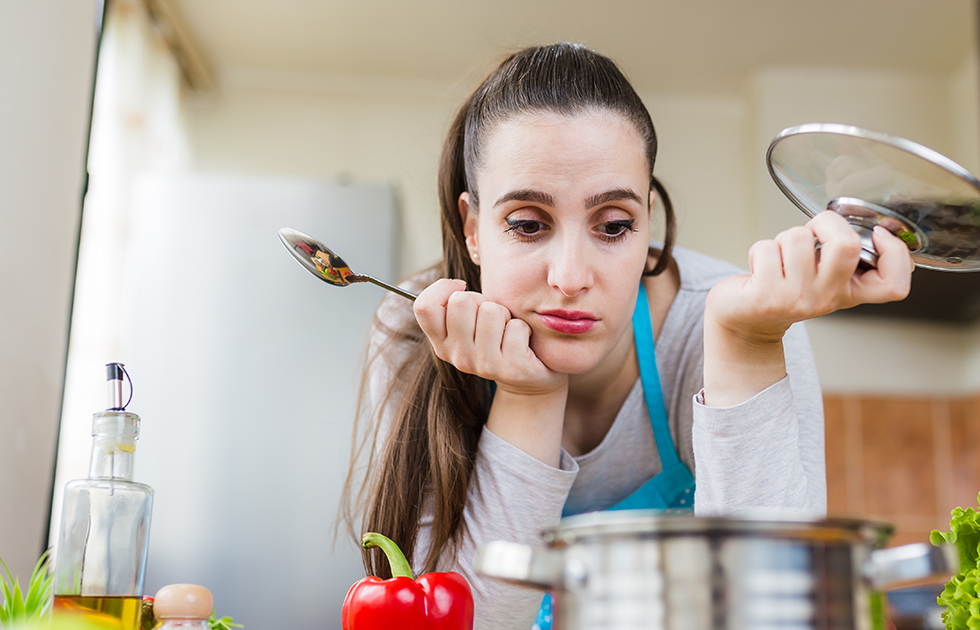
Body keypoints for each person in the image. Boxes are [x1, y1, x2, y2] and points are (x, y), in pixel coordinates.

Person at [342, 42, 912, 630]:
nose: (569, 278)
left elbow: (784, 616)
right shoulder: (412, 330)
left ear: (647, 225)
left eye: (613, 226)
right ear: (473, 229)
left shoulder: (738, 323)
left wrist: (748, 348)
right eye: (528, 225)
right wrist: (529, 399)